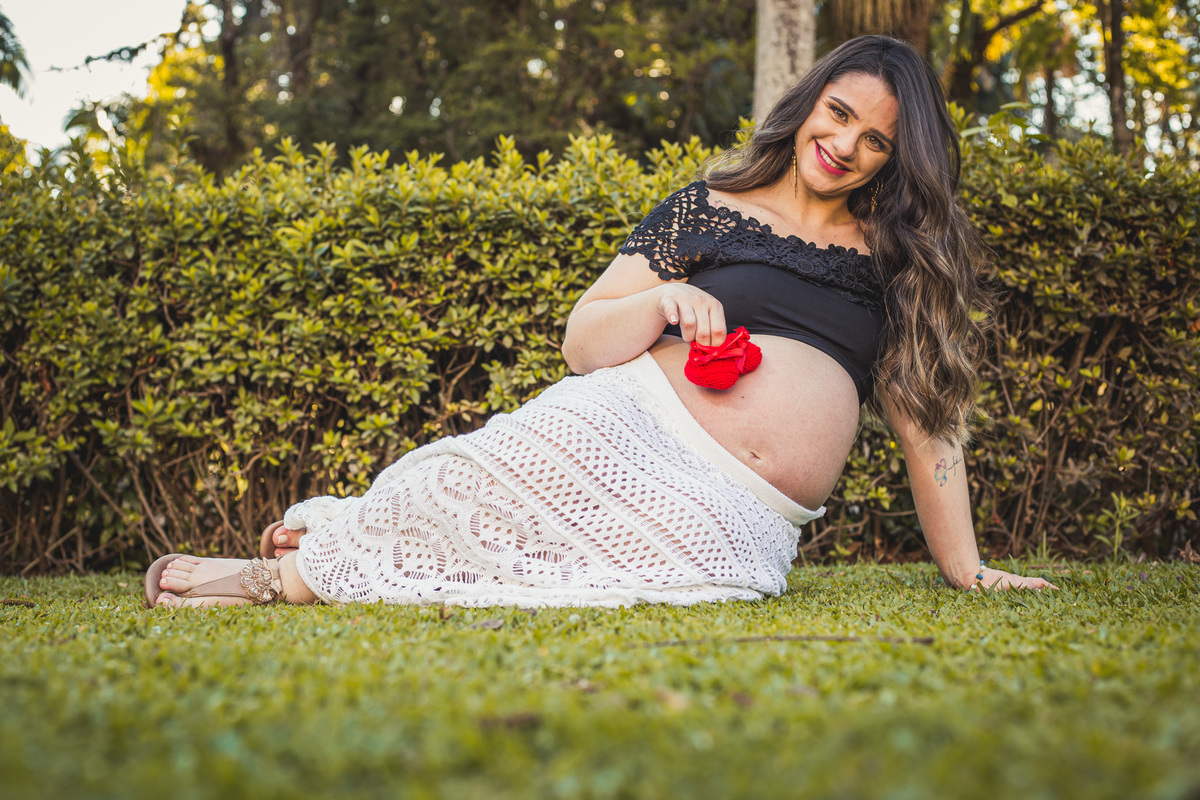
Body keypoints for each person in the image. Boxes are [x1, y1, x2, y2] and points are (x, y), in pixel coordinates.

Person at [144, 35, 1056, 610]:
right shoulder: (705, 207)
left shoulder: (896, 255)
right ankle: (282, 578)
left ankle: (338, 545)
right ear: (811, 101)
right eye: (839, 114)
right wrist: (660, 304)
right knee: (457, 485)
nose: (845, 145)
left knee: (626, 576)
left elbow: (927, 426)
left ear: (895, 157)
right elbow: (582, 342)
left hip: (737, 515)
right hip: (622, 424)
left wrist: (967, 568)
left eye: (876, 140)